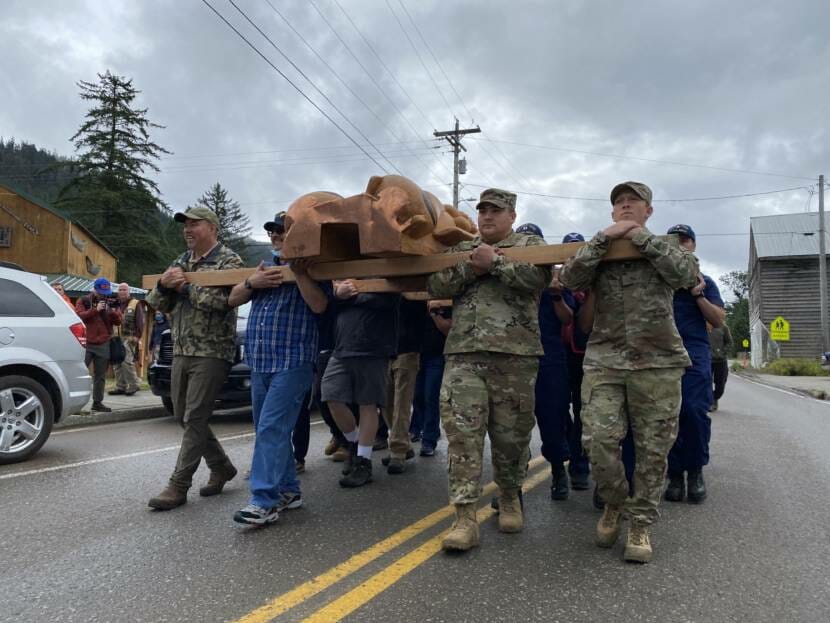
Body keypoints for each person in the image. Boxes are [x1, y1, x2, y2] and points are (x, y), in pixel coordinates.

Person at [559, 181, 698, 563]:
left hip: (658, 360)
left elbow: (685, 275)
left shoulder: (667, 246)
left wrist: (640, 239)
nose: (624, 206)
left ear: (648, 210)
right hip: (605, 359)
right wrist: (604, 239)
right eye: (618, 203)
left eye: (632, 202)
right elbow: (570, 279)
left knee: (654, 449)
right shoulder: (599, 247)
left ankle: (640, 523)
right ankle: (615, 504)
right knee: (597, 439)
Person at [427, 188, 550, 552]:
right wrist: (474, 264)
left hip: (515, 357)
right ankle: (464, 518)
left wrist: (494, 263)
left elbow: (535, 280)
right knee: (462, 437)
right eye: (482, 210)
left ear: (511, 215)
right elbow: (436, 285)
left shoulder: (530, 243)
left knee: (511, 437)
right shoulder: (462, 248)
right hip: (464, 354)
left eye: (495, 211)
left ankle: (510, 496)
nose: (486, 216)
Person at [228, 211, 330, 526]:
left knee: (271, 427)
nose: (276, 234)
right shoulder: (263, 267)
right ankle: (288, 490)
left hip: (294, 361)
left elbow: (320, 306)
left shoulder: (315, 267)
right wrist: (250, 282)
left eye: (284, 230)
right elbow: (233, 298)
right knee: (269, 429)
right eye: (273, 230)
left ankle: (264, 501)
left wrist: (298, 273)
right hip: (260, 362)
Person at [146, 206, 244, 511]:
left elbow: (223, 302)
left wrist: (186, 287)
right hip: (181, 349)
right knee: (183, 417)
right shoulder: (180, 261)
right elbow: (156, 302)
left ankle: (178, 486)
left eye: (194, 224)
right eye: (184, 225)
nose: (187, 230)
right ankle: (222, 466)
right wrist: (164, 285)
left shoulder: (229, 260)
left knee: (196, 417)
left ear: (212, 227)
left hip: (212, 351)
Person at [663, 224, 726, 505]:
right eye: (675, 241)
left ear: (694, 245)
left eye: (685, 240)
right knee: (669, 414)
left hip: (694, 351)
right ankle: (675, 474)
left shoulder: (706, 282)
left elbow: (718, 320)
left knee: (694, 410)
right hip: (662, 353)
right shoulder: (660, 279)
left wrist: (697, 294)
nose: (680, 244)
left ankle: (696, 471)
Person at [516, 223, 575, 501]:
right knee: (512, 424)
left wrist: (554, 294)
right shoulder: (511, 276)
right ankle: (511, 485)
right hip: (514, 358)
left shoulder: (555, 277)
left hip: (548, 357)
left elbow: (567, 318)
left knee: (553, 420)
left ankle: (558, 472)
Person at [321, 283, 400, 488]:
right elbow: (328, 306)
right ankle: (355, 446)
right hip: (341, 348)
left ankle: (363, 461)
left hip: (372, 349)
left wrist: (350, 296)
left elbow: (389, 299)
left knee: (368, 404)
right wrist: (338, 295)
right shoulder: (343, 278)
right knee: (331, 396)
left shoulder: (381, 274)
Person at [560, 232, 592, 491]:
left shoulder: (591, 282)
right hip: (558, 355)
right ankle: (570, 449)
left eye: (576, 250)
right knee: (558, 410)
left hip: (586, 357)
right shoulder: (555, 281)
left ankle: (580, 465)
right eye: (567, 251)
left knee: (583, 412)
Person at [381, 298, 425, 474]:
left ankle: (398, 450)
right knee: (385, 401)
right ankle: (403, 443)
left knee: (402, 402)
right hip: (386, 347)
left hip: (408, 345)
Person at [411, 300, 452, 457]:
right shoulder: (412, 299)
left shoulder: (445, 301)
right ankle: (415, 429)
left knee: (431, 397)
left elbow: (448, 329)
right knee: (417, 396)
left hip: (436, 355)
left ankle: (429, 439)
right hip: (416, 354)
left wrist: (434, 313)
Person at [75, 277, 122, 413]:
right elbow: (78, 316)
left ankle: (97, 402)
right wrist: (95, 310)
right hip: (86, 343)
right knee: (79, 374)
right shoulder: (83, 300)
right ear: (94, 289)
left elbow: (119, 321)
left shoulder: (111, 301)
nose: (103, 295)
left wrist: (111, 311)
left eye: (105, 292)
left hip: (103, 342)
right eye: (100, 292)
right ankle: (76, 405)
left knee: (100, 376)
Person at [109, 282, 145, 396]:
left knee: (126, 361)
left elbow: (140, 321)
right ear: (117, 292)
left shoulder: (135, 303)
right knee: (117, 362)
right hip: (115, 337)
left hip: (129, 337)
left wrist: (137, 336)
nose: (122, 292)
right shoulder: (114, 304)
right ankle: (121, 386)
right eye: (120, 290)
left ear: (129, 291)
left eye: (125, 290)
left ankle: (134, 384)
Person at [708, 323, 732, 411]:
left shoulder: (723, 327)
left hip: (721, 361)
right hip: (706, 360)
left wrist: (723, 352)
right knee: (706, 382)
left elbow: (729, 342)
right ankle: (711, 402)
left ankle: (715, 397)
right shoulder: (702, 325)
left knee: (721, 384)